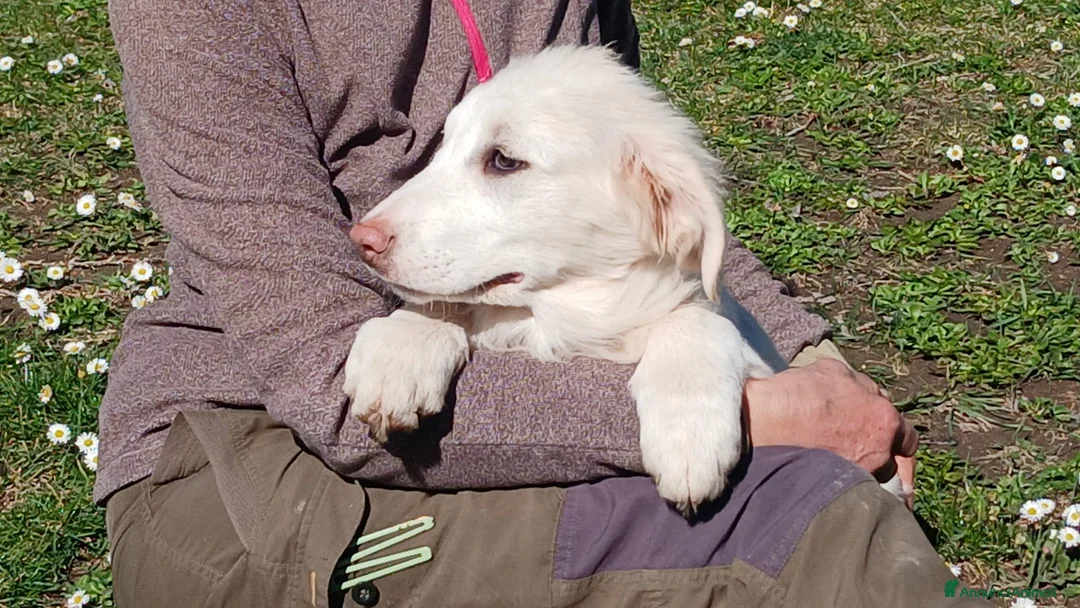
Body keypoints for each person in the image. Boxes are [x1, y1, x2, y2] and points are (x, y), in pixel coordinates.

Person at [97, 0, 986, 606]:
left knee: (818, 495)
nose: (381, 219)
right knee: (807, 529)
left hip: (522, 379)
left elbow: (640, 220)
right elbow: (329, 381)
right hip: (250, 461)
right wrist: (765, 415)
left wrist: (817, 371)